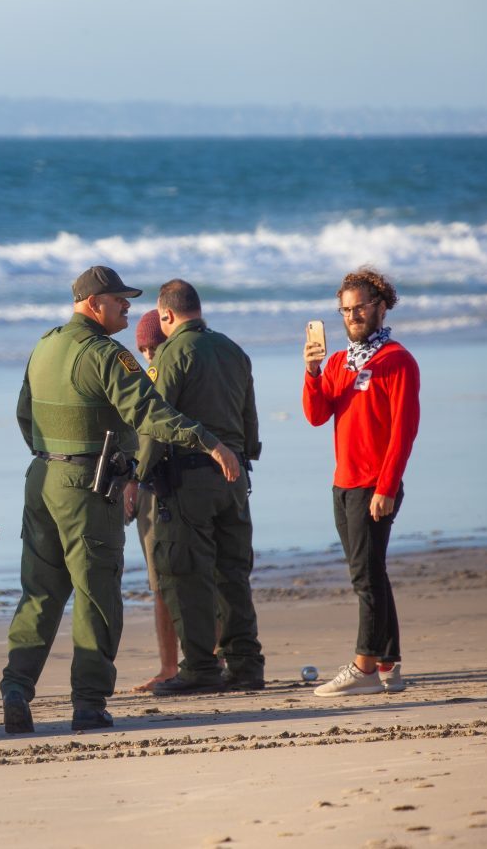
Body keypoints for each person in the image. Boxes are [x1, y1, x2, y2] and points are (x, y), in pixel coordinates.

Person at [1, 266, 241, 734]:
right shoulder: (107, 356)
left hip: (42, 480)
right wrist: (210, 442)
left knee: (40, 593)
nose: (130, 309)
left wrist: (51, 458)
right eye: (120, 301)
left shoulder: (44, 345)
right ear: (94, 304)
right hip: (87, 489)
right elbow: (151, 414)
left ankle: (16, 688)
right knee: (97, 595)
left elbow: (24, 414)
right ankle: (88, 704)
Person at [137, 280, 266, 696]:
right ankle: (245, 663)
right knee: (232, 572)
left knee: (186, 573)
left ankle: (200, 668)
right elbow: (249, 422)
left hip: (189, 478)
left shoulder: (172, 352)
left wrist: (136, 474)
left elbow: (155, 422)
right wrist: (242, 457)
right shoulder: (232, 349)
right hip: (234, 477)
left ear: (167, 315)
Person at [303, 266, 420, 696]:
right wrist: (313, 372)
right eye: (345, 311)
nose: (352, 317)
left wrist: (387, 487)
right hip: (344, 483)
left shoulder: (397, 361)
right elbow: (317, 416)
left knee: (365, 579)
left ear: (381, 307)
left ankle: (364, 666)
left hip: (375, 485)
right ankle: (390, 664)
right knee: (372, 572)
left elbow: (404, 431)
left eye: (360, 309)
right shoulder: (337, 362)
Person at [122, 310, 178, 691]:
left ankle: (169, 667)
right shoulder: (206, 359)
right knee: (205, 574)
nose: (146, 356)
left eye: (150, 348)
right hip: (201, 481)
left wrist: (133, 477)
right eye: (142, 349)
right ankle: (217, 656)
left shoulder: (157, 376)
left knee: (161, 582)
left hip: (157, 487)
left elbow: (149, 435)